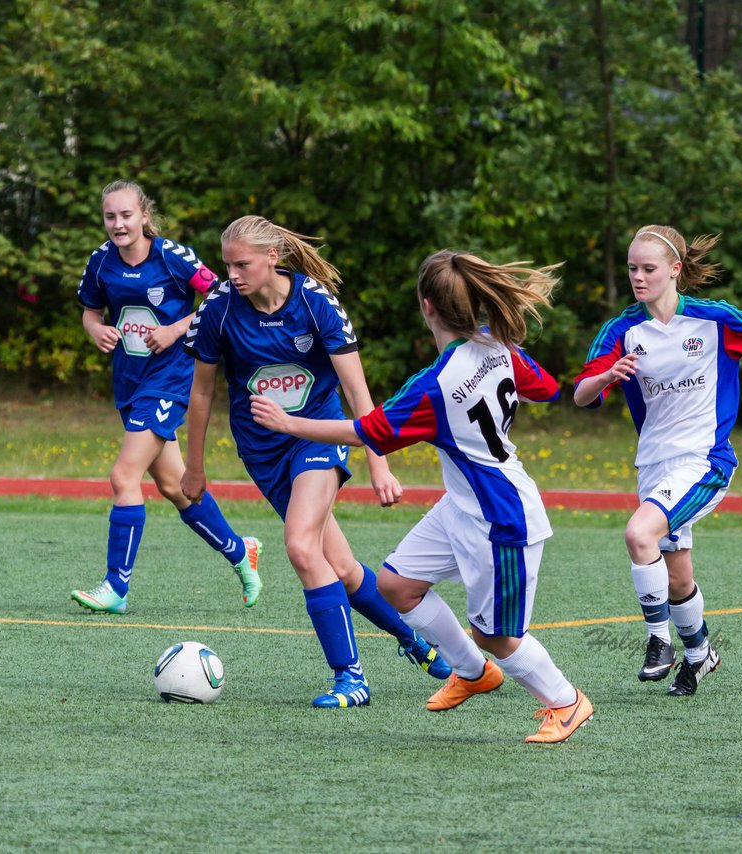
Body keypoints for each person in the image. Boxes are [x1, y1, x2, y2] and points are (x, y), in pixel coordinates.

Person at [251, 249, 594, 744]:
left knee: (495, 635)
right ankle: (473, 674)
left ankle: (565, 701)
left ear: (427, 306)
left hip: (501, 518)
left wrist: (288, 423)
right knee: (397, 585)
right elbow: (544, 389)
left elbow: (369, 431)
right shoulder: (498, 346)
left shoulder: (434, 385)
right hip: (463, 504)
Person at [181, 215, 452, 709]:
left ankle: (350, 678)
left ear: (272, 258)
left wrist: (379, 463)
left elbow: (356, 390)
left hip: (318, 439)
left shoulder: (315, 303)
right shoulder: (218, 308)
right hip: (261, 452)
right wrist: (194, 466)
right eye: (227, 265)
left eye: (242, 264)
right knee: (343, 568)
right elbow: (201, 392)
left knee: (302, 547)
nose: (232, 274)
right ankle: (415, 641)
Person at [573, 224, 742, 695]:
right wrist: (607, 376)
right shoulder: (621, 330)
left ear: (675, 270)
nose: (638, 277)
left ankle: (659, 642)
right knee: (677, 578)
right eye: (632, 268)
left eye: (648, 268)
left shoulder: (713, 319)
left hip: (705, 461)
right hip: (653, 465)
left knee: (639, 534)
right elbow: (580, 394)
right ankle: (700, 656)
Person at [70, 181, 263, 615]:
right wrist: (95, 329)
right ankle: (240, 551)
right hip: (130, 381)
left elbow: (221, 293)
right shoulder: (101, 262)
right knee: (176, 487)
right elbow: (90, 310)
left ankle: (115, 587)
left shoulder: (173, 257)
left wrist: (177, 330)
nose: (118, 224)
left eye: (125, 215)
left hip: (172, 378)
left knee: (124, 477)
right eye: (109, 216)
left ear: (144, 216)